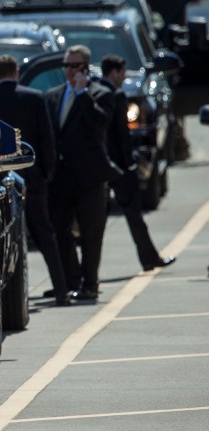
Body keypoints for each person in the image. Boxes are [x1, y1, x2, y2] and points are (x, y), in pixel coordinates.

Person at [0, 54, 75, 307]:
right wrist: (47, 172)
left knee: (3, 237)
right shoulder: (34, 97)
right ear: (17, 71)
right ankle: (62, 289)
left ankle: (4, 297)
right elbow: (47, 138)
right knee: (44, 232)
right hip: (32, 176)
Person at [44, 45, 115, 302]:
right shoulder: (53, 96)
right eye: (67, 65)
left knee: (90, 233)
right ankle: (69, 281)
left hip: (89, 178)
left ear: (86, 67)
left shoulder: (101, 94)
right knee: (59, 230)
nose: (70, 71)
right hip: (61, 179)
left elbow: (99, 123)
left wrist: (83, 93)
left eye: (75, 66)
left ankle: (90, 283)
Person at [98, 54, 176, 271]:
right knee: (134, 215)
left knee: (94, 225)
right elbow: (123, 136)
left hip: (99, 164)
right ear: (113, 72)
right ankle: (149, 258)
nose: (123, 78)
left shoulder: (93, 91)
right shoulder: (118, 95)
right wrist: (130, 164)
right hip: (120, 166)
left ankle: (85, 275)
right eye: (122, 73)